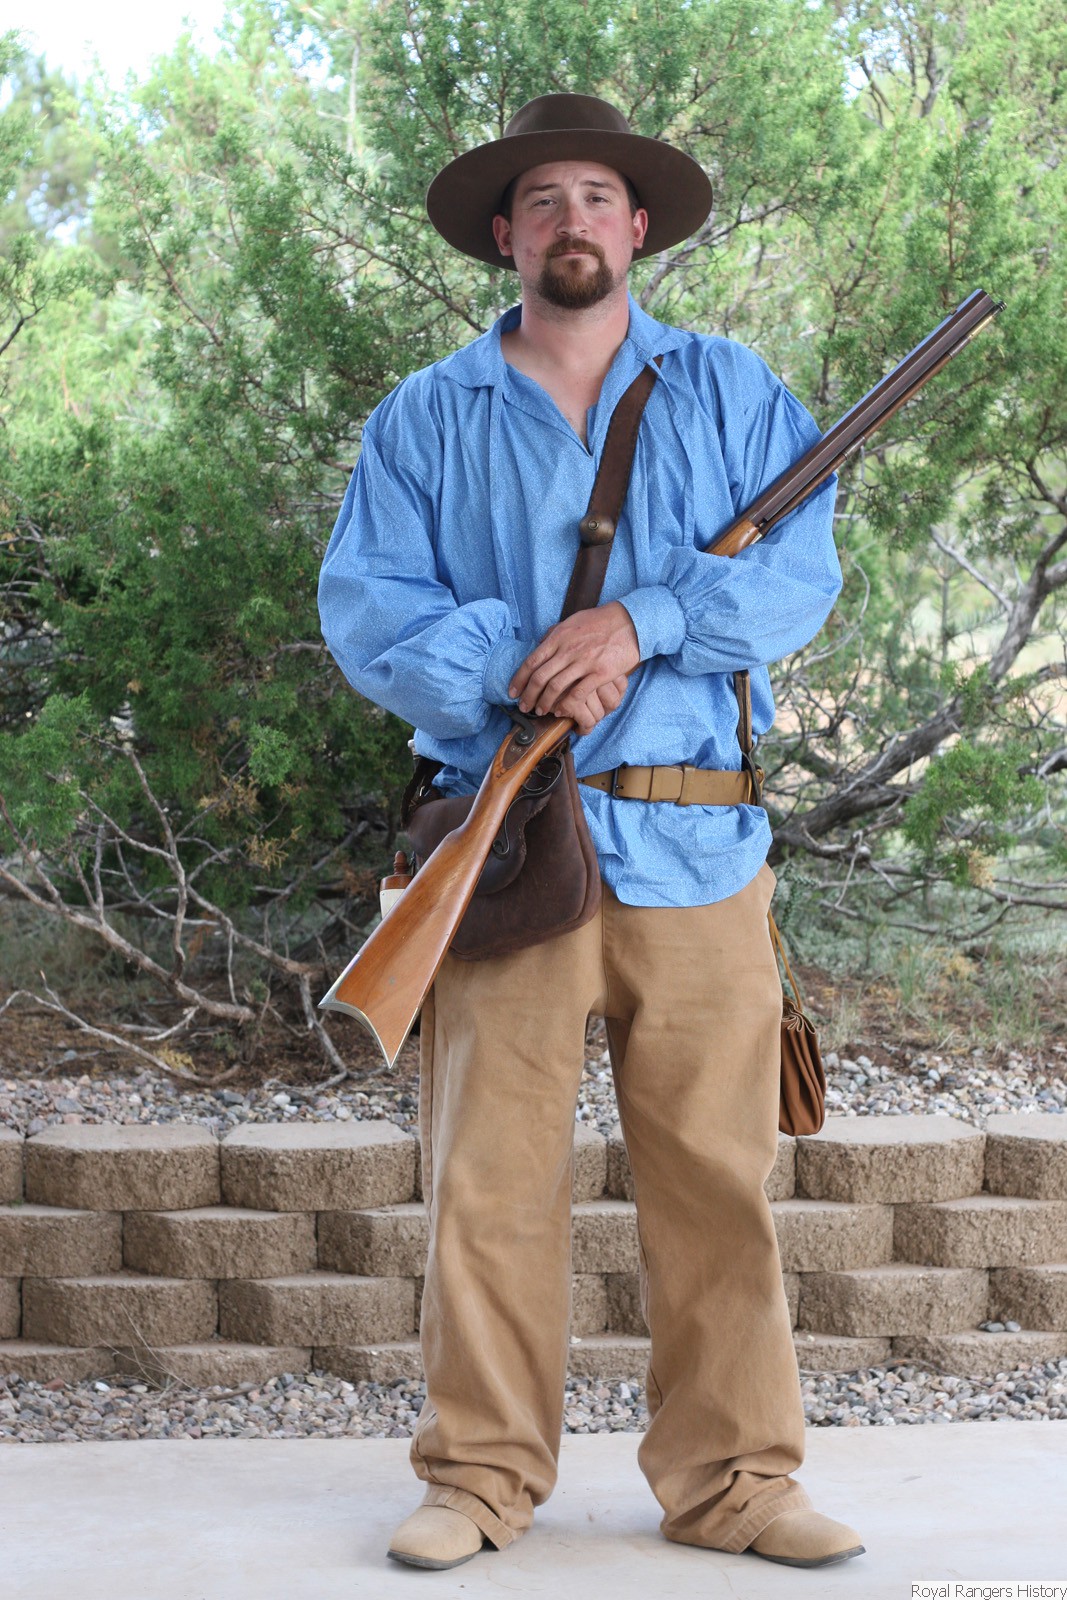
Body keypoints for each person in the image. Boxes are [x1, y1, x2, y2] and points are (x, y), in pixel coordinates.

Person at [318, 93, 863, 1573]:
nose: (575, 221)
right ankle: (480, 1480)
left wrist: (644, 620)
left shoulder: (736, 392)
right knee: (489, 1185)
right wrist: (519, 663)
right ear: (506, 235)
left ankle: (737, 1485)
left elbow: (799, 579)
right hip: (506, 852)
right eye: (545, 200)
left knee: (718, 1187)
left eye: (599, 198)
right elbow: (369, 609)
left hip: (701, 853)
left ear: (640, 227)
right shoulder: (425, 417)